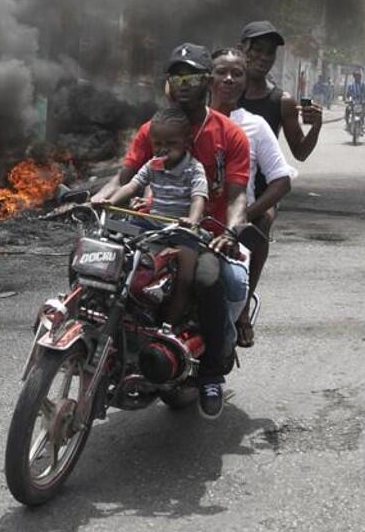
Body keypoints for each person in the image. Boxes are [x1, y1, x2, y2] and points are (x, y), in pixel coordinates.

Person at [92, 43, 251, 419]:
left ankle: (212, 373)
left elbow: (237, 196)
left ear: (207, 81)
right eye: (176, 76)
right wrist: (96, 200)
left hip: (202, 232)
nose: (184, 84)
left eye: (192, 76)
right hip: (152, 225)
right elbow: (124, 177)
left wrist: (230, 231)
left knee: (209, 279)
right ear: (168, 83)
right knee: (102, 262)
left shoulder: (230, 135)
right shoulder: (154, 130)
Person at [210, 47, 296, 348]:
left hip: (231, 221)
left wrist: (245, 215)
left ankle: (242, 310)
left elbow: (282, 181)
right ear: (209, 78)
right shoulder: (189, 120)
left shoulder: (254, 126)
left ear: (245, 82)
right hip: (190, 218)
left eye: (237, 74)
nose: (229, 79)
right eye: (221, 72)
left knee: (263, 223)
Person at [105, 107, 208, 328]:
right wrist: (110, 202)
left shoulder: (194, 169)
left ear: (186, 142)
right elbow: (132, 186)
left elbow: (199, 197)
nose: (163, 149)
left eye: (171, 144)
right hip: (151, 224)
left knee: (186, 277)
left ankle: (169, 324)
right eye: (158, 143)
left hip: (181, 229)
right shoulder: (152, 164)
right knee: (117, 248)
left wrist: (192, 220)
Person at [238, 21, 323, 164]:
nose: (264, 57)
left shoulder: (283, 102)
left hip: (265, 185)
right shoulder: (222, 93)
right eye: (257, 50)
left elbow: (300, 153)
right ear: (241, 50)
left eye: (270, 52)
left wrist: (316, 125)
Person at [344, 70, 365, 142]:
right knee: (347, 110)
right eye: (357, 77)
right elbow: (348, 95)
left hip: (364, 104)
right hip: (354, 104)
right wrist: (348, 100)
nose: (358, 78)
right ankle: (347, 124)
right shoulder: (351, 86)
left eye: (360, 77)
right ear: (354, 77)